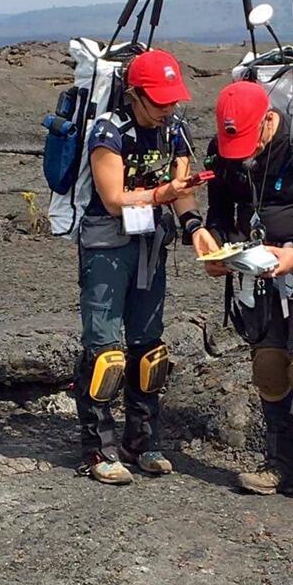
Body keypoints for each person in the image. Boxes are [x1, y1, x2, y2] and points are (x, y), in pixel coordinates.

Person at [199, 80, 293, 510]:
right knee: (268, 366)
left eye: (251, 142)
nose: (243, 155)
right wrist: (213, 246)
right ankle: (282, 467)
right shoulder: (224, 150)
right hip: (256, 269)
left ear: (269, 119)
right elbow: (219, 213)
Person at [74, 50, 214, 485]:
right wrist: (161, 194)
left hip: (152, 243)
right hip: (107, 247)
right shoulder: (108, 132)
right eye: (159, 101)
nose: (168, 108)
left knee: (149, 348)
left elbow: (183, 190)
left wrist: (194, 228)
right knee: (105, 351)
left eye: (173, 100)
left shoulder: (175, 131)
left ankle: (142, 440)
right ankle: (98, 448)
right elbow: (114, 198)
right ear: (135, 95)